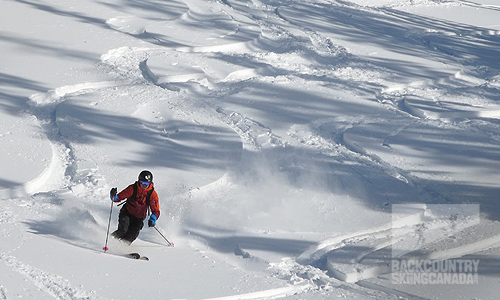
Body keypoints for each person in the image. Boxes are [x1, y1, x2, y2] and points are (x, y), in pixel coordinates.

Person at [109, 170, 160, 244]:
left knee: (132, 234)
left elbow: (156, 210)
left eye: (146, 183)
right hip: (126, 213)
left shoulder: (152, 194)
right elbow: (117, 198)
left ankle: (123, 246)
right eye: (143, 183)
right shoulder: (132, 188)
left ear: (150, 183)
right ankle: (110, 240)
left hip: (138, 219)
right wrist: (113, 195)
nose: (144, 185)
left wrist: (153, 219)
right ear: (139, 181)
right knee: (123, 230)